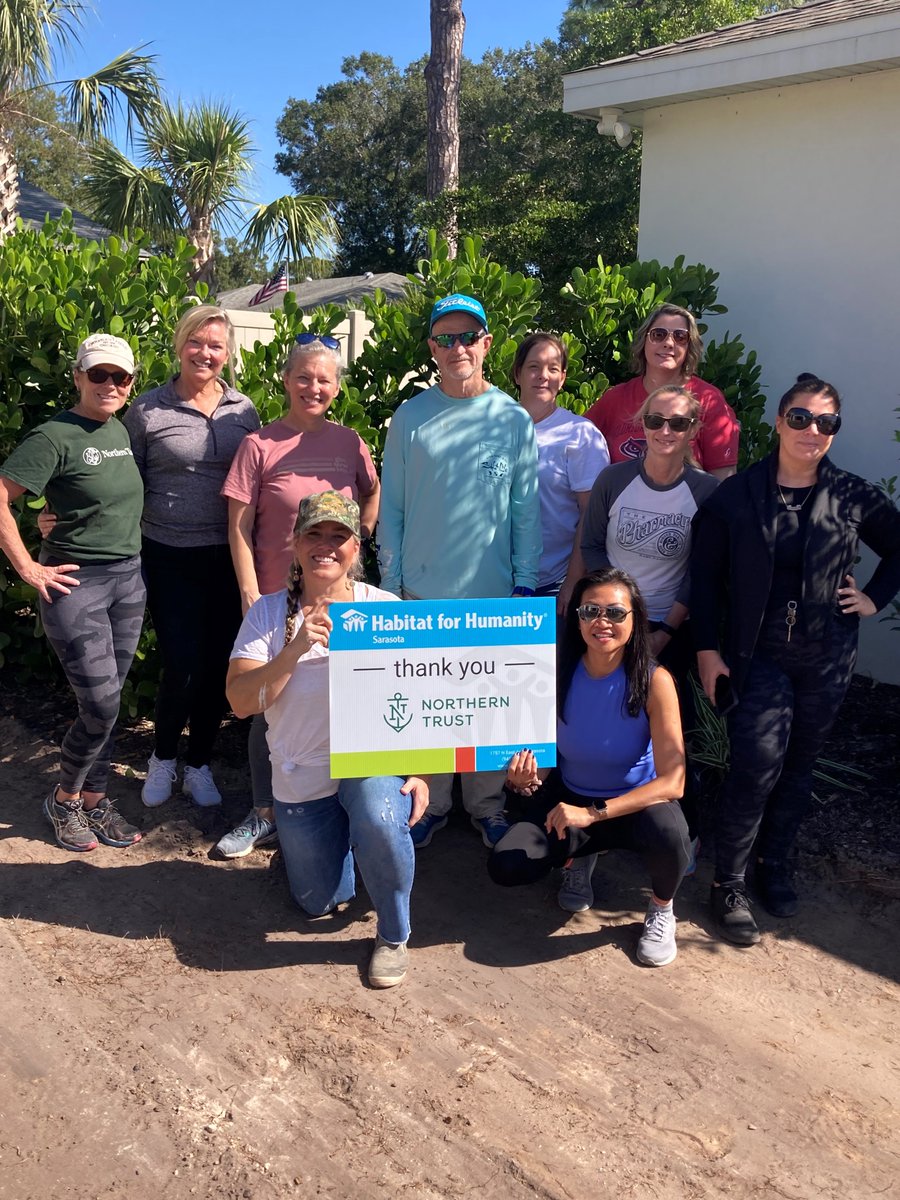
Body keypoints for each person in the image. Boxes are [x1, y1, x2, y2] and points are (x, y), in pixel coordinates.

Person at [691, 374, 900, 946]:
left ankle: (773, 866)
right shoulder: (736, 496)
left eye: (826, 422)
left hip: (827, 655)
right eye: (802, 418)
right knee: (757, 763)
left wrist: (874, 598)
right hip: (756, 652)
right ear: (779, 422)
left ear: (835, 432)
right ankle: (728, 882)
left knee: (800, 765)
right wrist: (708, 651)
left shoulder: (853, 496)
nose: (813, 431)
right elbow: (704, 581)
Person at [226, 491, 428, 988]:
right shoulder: (268, 615)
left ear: (356, 549)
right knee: (317, 903)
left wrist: (421, 770)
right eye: (314, 535)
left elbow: (423, 693)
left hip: (367, 763)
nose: (326, 546)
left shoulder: (385, 609)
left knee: (380, 813)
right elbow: (241, 701)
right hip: (300, 775)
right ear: (295, 545)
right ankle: (336, 846)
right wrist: (294, 648)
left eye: (339, 537)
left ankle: (394, 934)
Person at [378, 294, 542, 850]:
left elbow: (526, 510)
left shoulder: (513, 418)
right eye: (445, 338)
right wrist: (391, 585)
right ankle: (432, 804)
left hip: (495, 595)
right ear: (432, 347)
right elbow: (393, 508)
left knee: (487, 710)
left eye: (467, 337)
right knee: (430, 709)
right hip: (420, 593)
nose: (457, 348)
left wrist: (524, 583)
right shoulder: (410, 417)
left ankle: (487, 807)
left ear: (487, 344)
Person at [217, 333, 380, 858]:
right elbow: (238, 528)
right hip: (275, 597)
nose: (314, 387)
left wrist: (362, 540)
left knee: (338, 703)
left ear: (337, 386)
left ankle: (334, 809)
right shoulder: (258, 445)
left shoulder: (350, 441)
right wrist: (249, 591)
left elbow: (371, 490)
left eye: (325, 379)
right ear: (286, 380)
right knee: (269, 702)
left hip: (341, 597)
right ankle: (265, 810)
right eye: (304, 377)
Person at [488, 567, 690, 966]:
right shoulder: (553, 672)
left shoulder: (655, 680)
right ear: (576, 618)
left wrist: (593, 814)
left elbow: (675, 780)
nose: (602, 622)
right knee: (506, 864)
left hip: (634, 805)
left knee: (672, 835)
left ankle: (662, 908)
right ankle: (580, 859)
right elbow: (544, 761)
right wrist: (526, 781)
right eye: (590, 611)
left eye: (615, 613)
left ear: (636, 619)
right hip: (571, 799)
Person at [0, 333, 145, 852]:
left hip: (129, 580)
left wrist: (54, 515)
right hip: (76, 583)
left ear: (131, 384)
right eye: (99, 375)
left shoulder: (120, 431)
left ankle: (94, 798)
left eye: (120, 377)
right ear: (79, 377)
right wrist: (28, 569)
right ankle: (63, 799)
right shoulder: (53, 435)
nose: (110, 385)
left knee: (107, 701)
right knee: (103, 705)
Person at [123, 306, 261, 809]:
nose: (206, 353)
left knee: (220, 667)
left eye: (216, 346)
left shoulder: (243, 410)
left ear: (228, 353)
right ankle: (163, 758)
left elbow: (259, 480)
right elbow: (123, 481)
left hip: (229, 556)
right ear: (180, 345)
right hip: (167, 554)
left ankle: (198, 763)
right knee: (181, 663)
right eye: (197, 342)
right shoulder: (148, 409)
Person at [585, 304, 739, 481]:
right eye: (659, 334)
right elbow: (576, 445)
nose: (668, 343)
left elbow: (723, 481)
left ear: (690, 347)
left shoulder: (709, 401)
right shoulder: (615, 399)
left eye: (680, 337)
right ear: (644, 341)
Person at [513, 332, 609, 615]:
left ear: (563, 378)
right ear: (517, 373)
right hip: (496, 583)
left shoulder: (580, 435)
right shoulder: (494, 428)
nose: (543, 375)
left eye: (553, 368)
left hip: (553, 585)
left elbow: (591, 515)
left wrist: (572, 582)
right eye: (534, 367)